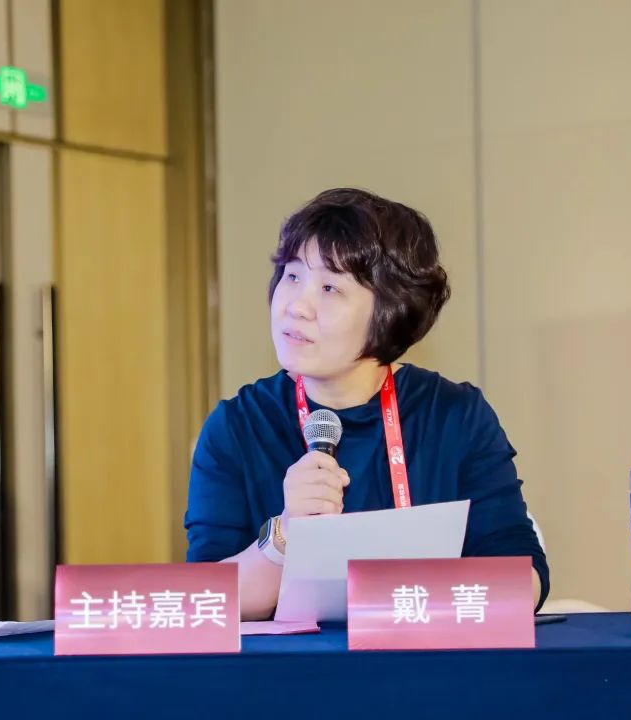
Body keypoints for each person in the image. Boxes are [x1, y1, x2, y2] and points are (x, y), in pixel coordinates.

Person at [185, 187, 549, 620]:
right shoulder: (237, 426)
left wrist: (406, 600)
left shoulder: (455, 416)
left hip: (424, 653)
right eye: (292, 275)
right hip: (288, 665)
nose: (297, 306)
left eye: (329, 287)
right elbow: (206, 600)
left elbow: (522, 575)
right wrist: (284, 536)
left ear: (390, 312)